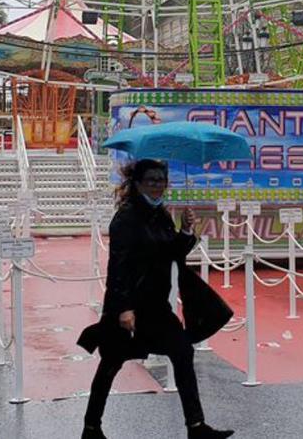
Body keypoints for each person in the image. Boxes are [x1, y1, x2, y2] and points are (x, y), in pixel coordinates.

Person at [77, 159, 234, 439]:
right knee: (111, 363)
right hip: (130, 307)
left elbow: (173, 252)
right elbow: (118, 267)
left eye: (161, 180)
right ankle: (91, 427)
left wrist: (186, 230)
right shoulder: (125, 219)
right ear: (137, 183)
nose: (157, 185)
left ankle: (196, 426)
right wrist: (123, 308)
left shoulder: (160, 215)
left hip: (157, 308)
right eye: (151, 180)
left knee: (183, 352)